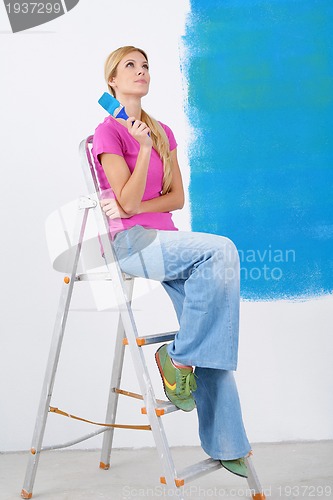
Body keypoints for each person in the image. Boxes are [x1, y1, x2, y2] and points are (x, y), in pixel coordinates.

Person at [92, 45, 251, 478]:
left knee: (213, 326)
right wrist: (141, 152)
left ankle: (226, 440)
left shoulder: (162, 131)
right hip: (133, 244)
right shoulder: (110, 132)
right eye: (131, 65)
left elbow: (176, 199)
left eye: (146, 66)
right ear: (112, 80)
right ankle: (177, 360)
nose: (141, 71)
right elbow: (124, 205)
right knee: (222, 249)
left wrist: (136, 197)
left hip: (169, 240)